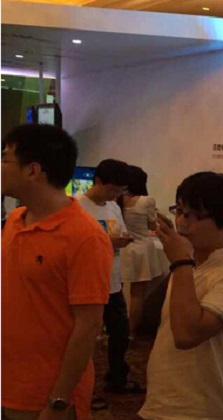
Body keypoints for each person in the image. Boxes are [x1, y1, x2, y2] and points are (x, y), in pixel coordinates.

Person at [2, 124, 112, 420]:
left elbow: (89, 326)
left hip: (44, 394)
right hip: (9, 380)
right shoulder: (15, 219)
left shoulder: (85, 236)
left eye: (5, 158)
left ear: (33, 170)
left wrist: (59, 400)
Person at [139, 172, 223, 420]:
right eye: (179, 211)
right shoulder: (191, 263)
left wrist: (181, 262)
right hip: (161, 404)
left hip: (202, 410)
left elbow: (186, 334)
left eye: (193, 215)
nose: (181, 222)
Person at [77, 159, 144, 396]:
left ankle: (116, 378)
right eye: (113, 189)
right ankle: (82, 389)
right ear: (98, 181)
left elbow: (119, 233)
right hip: (87, 283)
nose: (116, 195)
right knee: (84, 338)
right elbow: (73, 244)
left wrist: (122, 240)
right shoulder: (77, 207)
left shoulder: (113, 207)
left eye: (120, 191)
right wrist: (108, 241)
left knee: (119, 333)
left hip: (112, 282)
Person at [118, 165, 166, 339]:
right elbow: (152, 226)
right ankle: (130, 333)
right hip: (141, 250)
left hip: (121, 249)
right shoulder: (146, 201)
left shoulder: (117, 200)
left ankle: (113, 329)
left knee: (115, 292)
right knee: (137, 295)